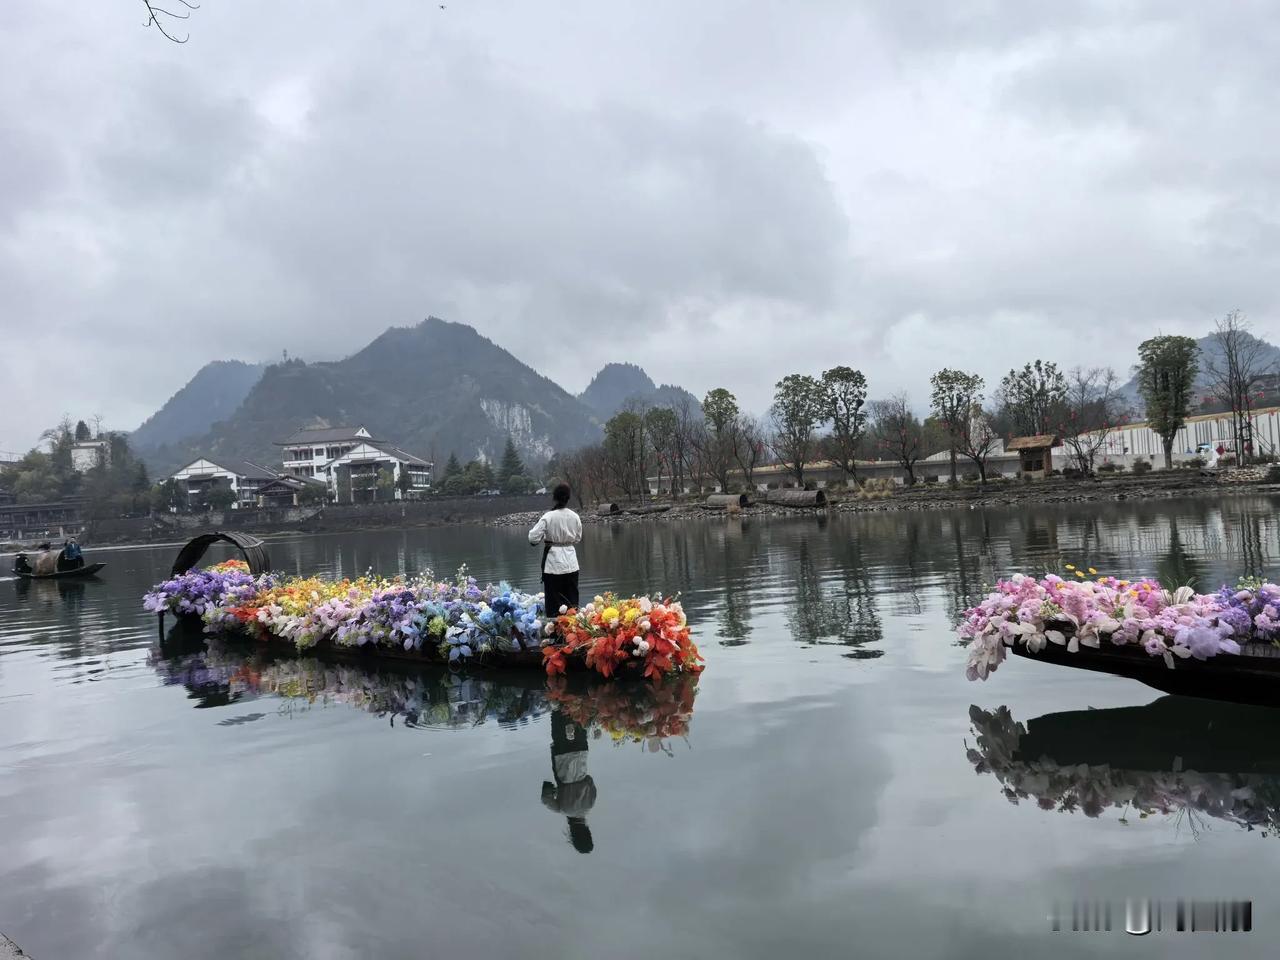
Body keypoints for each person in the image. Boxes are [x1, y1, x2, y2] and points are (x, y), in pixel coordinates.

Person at [541, 708, 597, 854]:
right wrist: (551, 789)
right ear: (573, 835)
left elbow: (590, 781)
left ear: (588, 831)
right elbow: (546, 798)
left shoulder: (590, 805)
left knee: (578, 714)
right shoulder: (562, 809)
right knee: (558, 714)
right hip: (562, 757)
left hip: (581, 753)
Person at [528, 482, 582, 616]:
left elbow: (533, 538)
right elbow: (577, 538)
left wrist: (547, 538)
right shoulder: (575, 516)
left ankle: (555, 633)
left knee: (554, 604)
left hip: (553, 565)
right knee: (572, 603)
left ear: (555, 498)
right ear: (568, 498)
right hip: (571, 563)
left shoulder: (548, 517)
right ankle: (573, 633)